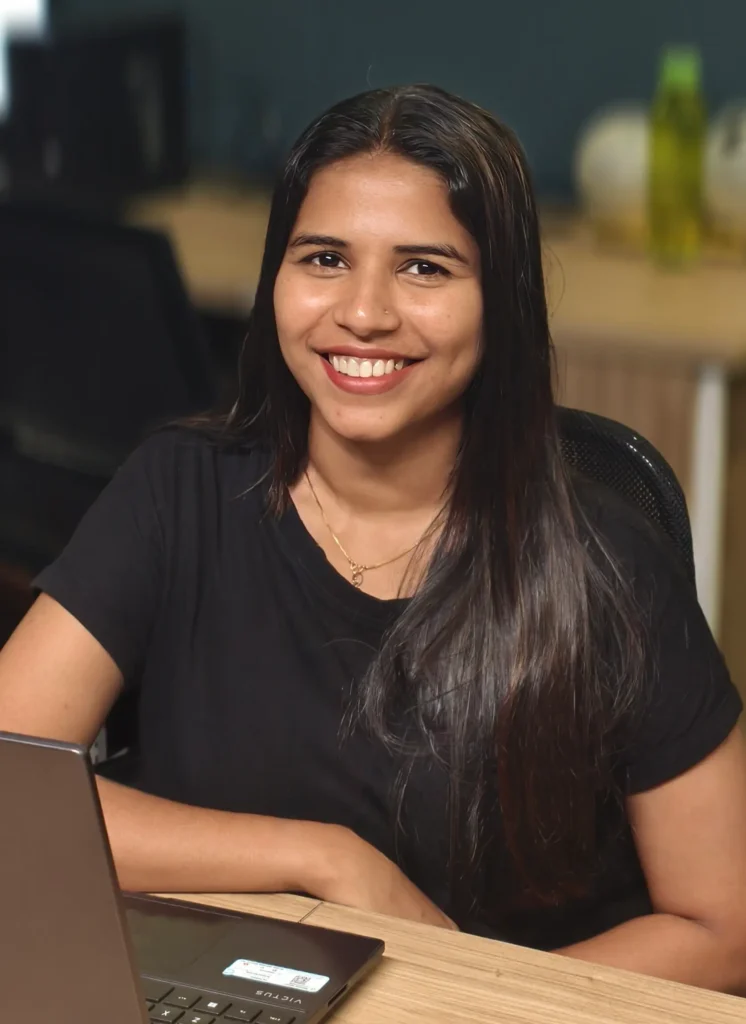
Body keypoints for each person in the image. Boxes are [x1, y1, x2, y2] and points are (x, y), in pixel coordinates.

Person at [2, 83, 746, 993]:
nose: (363, 312)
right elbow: (9, 793)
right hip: (233, 993)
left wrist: (466, 999)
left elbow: (724, 930)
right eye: (323, 258)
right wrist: (323, 861)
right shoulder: (176, 491)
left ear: (500, 302)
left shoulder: (606, 563)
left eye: (425, 268)